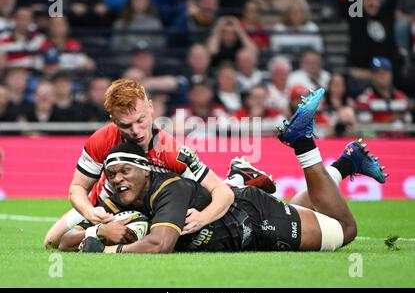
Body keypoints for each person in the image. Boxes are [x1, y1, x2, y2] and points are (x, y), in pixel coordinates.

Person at [60, 89, 387, 253]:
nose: (116, 179)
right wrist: (96, 228)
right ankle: (345, 164)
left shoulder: (171, 161)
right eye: (111, 173)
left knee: (345, 231)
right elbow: (60, 239)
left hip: (250, 218)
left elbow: (162, 242)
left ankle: (302, 144)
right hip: (238, 210)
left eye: (122, 172)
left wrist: (107, 248)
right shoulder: (115, 178)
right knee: (306, 208)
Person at [43, 78, 275, 249]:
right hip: (104, 206)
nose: (135, 131)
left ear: (151, 108)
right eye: (126, 125)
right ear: (113, 120)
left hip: (147, 209)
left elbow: (220, 193)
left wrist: (202, 219)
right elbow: (77, 188)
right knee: (52, 242)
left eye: (141, 120)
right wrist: (90, 212)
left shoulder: (172, 151)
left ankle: (237, 179)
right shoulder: (101, 140)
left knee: (149, 238)